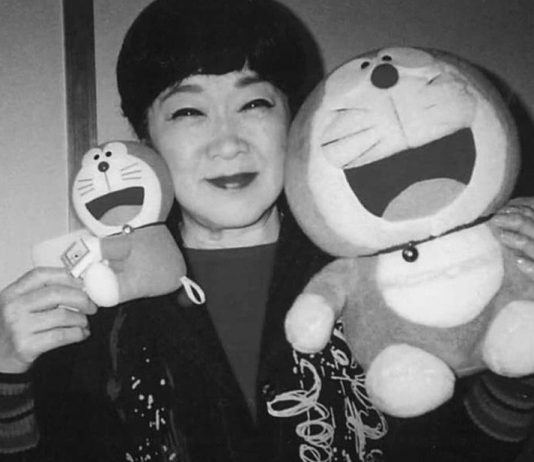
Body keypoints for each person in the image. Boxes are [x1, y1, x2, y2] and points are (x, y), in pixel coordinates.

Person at [2, 0, 534, 461]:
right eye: (188, 111)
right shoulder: (99, 295)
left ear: (295, 121)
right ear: (145, 139)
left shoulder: (388, 268)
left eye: (254, 103)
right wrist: (7, 375)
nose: (227, 143)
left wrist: (522, 344)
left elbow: (469, 449)